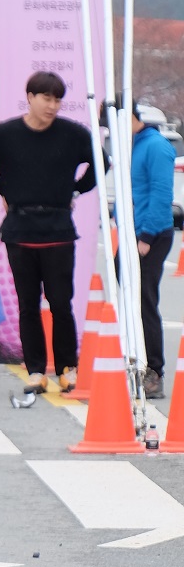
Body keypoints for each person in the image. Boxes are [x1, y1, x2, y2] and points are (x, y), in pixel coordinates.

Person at [0, 71, 99, 393]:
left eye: (58, 99)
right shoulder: (5, 135)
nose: (53, 106)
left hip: (59, 228)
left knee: (61, 303)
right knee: (28, 305)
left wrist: (75, 191)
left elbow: (99, 163)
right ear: (30, 97)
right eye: (47, 98)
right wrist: (0, 187)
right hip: (20, 229)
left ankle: (67, 367)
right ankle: (36, 370)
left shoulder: (74, 134)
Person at [129, 103, 176, 400]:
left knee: (145, 300)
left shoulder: (156, 147)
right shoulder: (134, 145)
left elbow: (161, 193)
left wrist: (146, 235)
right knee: (130, 300)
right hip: (135, 232)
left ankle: (155, 371)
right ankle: (138, 363)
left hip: (153, 235)